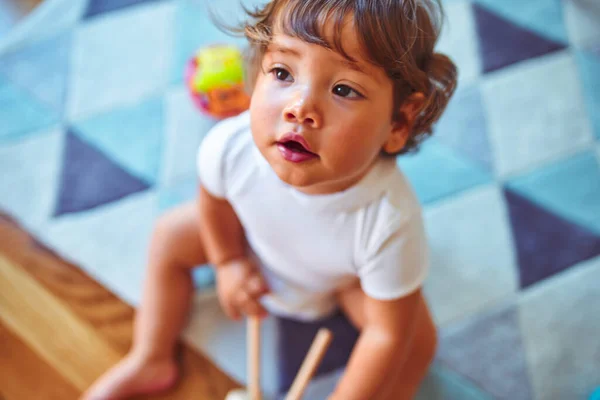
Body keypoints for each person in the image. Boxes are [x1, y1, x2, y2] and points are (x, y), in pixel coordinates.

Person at [82, 0, 457, 398]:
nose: (300, 108)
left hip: (342, 283)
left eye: (343, 89)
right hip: (253, 243)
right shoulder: (231, 146)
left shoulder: (390, 221)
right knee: (170, 234)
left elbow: (384, 334)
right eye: (283, 72)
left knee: (413, 339)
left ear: (399, 121)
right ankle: (150, 357)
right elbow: (216, 204)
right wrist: (228, 261)